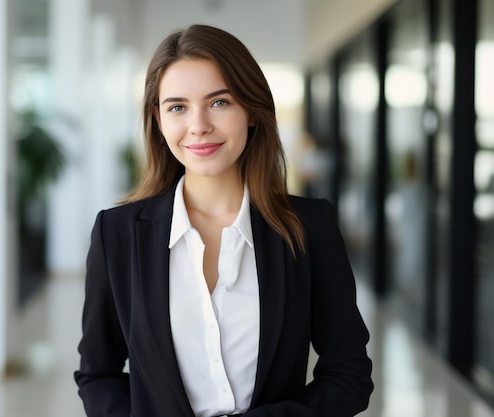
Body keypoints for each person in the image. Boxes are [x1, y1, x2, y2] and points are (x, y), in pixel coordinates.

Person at [75, 24, 373, 417]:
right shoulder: (117, 234)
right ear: (158, 118)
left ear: (251, 111)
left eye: (219, 102)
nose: (198, 124)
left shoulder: (308, 227)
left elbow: (349, 375)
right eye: (177, 106)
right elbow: (98, 376)